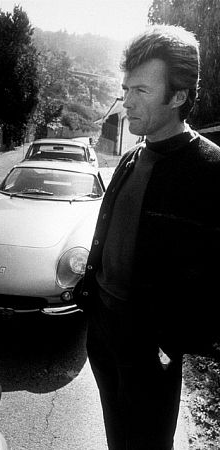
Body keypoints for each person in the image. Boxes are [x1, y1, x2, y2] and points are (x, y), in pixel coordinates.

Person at [75, 24, 220, 450]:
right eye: (125, 88)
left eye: (141, 90)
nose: (127, 102)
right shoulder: (130, 158)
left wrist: (175, 338)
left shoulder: (210, 172)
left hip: (151, 350)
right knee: (117, 437)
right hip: (102, 332)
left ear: (177, 97)